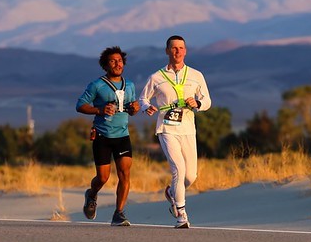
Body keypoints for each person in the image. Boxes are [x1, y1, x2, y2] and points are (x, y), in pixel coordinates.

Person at [140, 35, 211, 228]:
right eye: (173, 48)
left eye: (181, 48)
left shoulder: (196, 75)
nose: (177, 51)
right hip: (167, 129)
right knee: (178, 170)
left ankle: (172, 193)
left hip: (188, 129)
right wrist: (147, 107)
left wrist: (197, 103)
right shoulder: (156, 77)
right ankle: (182, 215)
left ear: (185, 51)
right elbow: (143, 98)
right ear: (167, 51)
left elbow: (207, 101)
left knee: (190, 177)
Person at [76, 46, 140, 226]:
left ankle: (119, 213)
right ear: (105, 65)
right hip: (102, 136)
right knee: (103, 178)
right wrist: (99, 109)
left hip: (122, 136)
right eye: (112, 61)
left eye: (120, 61)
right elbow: (80, 105)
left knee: (125, 174)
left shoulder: (130, 85)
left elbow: (130, 109)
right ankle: (92, 194)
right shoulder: (97, 85)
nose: (117, 64)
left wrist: (134, 109)